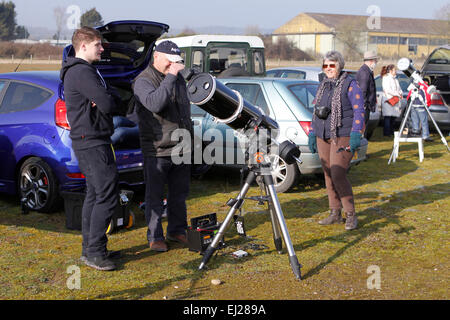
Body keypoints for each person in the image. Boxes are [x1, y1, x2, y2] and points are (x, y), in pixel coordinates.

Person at [60, 27, 120, 271]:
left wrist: (104, 98)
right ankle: (95, 252)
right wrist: (104, 99)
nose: (102, 49)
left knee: (95, 194)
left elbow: (104, 100)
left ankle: (91, 248)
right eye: (98, 45)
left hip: (90, 138)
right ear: (83, 46)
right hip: (91, 140)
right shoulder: (82, 72)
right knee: (106, 192)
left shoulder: (83, 71)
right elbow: (107, 103)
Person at [133, 40, 193, 252]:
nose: (173, 66)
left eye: (176, 62)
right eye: (169, 62)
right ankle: (155, 236)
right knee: (155, 197)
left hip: (181, 148)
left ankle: (177, 230)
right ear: (157, 56)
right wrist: (170, 77)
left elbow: (184, 110)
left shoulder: (176, 79)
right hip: (157, 149)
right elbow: (155, 104)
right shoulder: (143, 80)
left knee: (179, 195)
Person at [308, 51, 365, 231]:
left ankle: (351, 214)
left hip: (343, 135)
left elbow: (359, 110)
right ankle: (335, 212)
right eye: (325, 65)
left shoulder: (350, 84)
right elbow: (316, 109)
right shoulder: (323, 85)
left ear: (339, 65)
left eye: (332, 65)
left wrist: (356, 133)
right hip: (323, 135)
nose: (328, 69)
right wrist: (312, 132)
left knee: (338, 173)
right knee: (327, 174)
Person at [356, 50, 378, 130]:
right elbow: (363, 90)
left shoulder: (367, 71)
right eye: (376, 61)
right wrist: (363, 105)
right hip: (364, 106)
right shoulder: (365, 72)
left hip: (365, 105)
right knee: (362, 129)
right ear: (372, 61)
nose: (376, 63)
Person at [381, 64, 403, 136]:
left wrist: (400, 93)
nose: (395, 71)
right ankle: (387, 133)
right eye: (394, 70)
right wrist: (396, 94)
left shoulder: (395, 79)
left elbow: (399, 88)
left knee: (393, 117)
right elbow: (387, 89)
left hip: (395, 100)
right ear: (390, 71)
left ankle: (391, 131)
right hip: (388, 100)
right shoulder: (386, 78)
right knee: (388, 117)